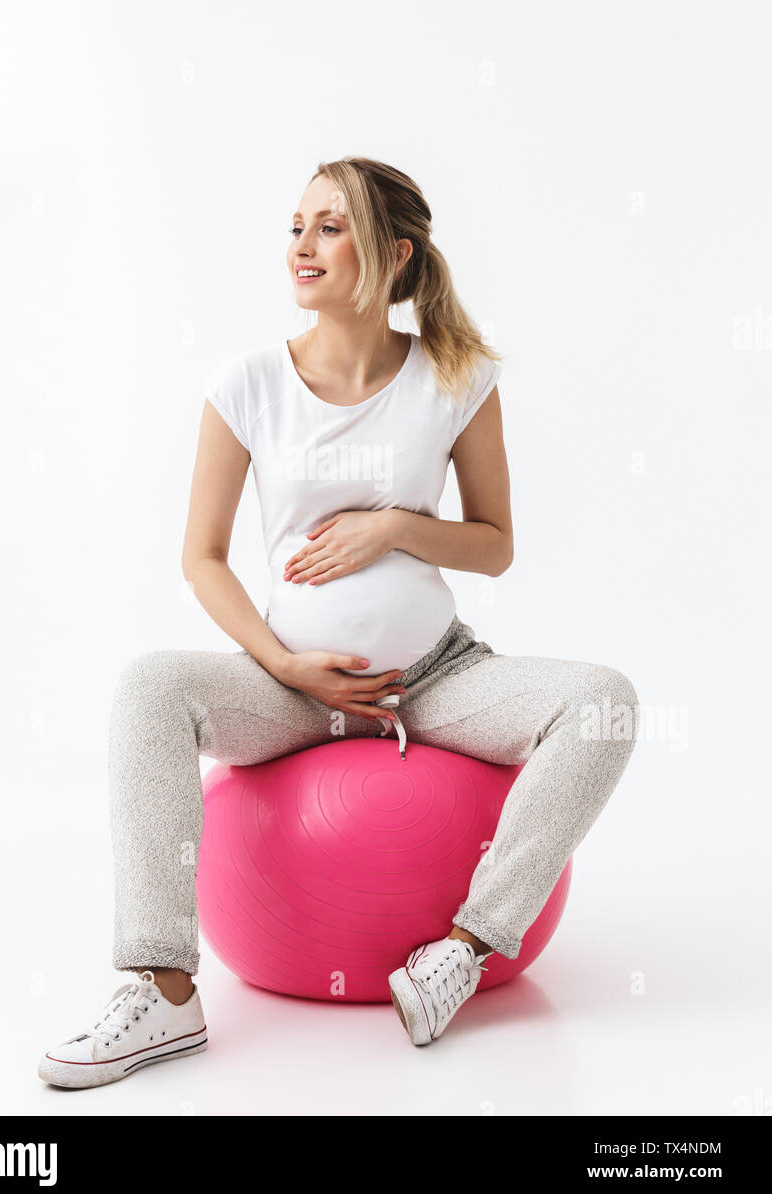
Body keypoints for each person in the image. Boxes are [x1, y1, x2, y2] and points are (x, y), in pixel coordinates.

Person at [38, 156, 639, 1088]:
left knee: (603, 700)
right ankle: (161, 992)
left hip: (436, 679)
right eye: (295, 226)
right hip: (291, 687)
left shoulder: (457, 377)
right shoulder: (245, 384)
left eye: (330, 226)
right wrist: (285, 663)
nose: (302, 246)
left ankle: (467, 950)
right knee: (150, 683)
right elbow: (202, 557)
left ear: (394, 255)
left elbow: (494, 546)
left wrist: (396, 527)